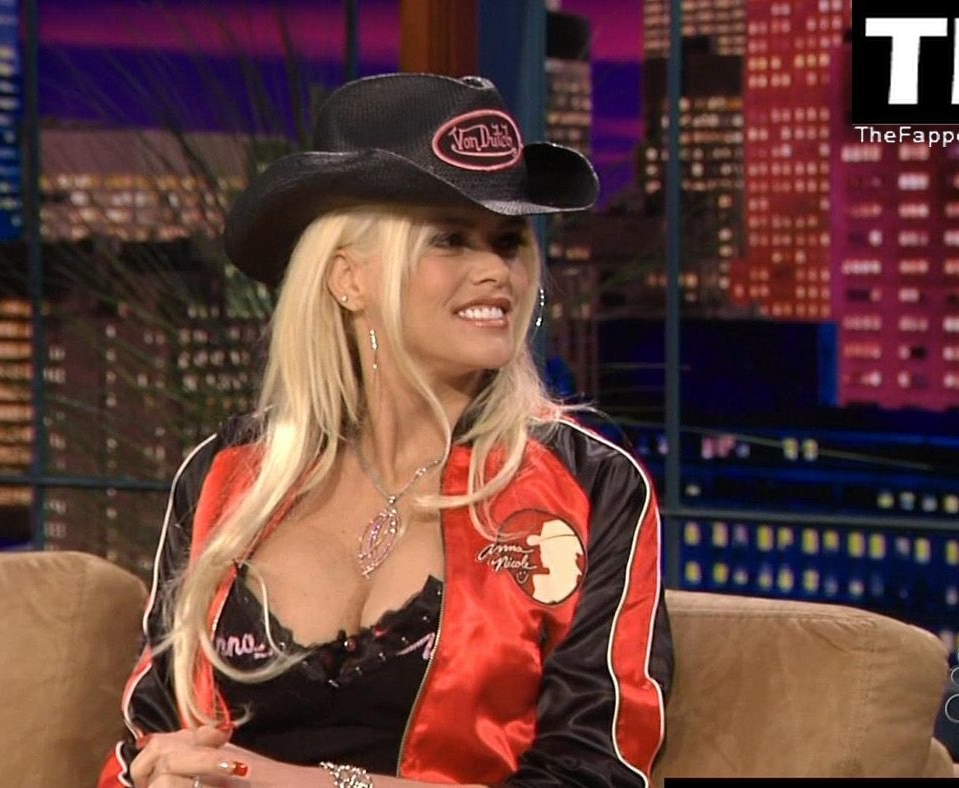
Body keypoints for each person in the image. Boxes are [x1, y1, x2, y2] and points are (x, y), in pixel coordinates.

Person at [97, 72, 672, 788]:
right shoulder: (227, 474)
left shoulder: (589, 483)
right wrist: (154, 772)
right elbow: (149, 734)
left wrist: (295, 784)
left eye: (507, 242)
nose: (495, 272)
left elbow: (596, 773)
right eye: (451, 240)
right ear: (349, 279)